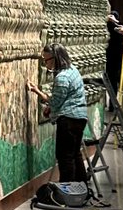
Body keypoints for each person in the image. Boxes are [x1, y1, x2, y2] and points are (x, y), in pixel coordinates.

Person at [28, 44, 89, 182]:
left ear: (55, 58)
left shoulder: (62, 77)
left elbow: (55, 102)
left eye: (47, 60)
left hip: (68, 120)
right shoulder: (73, 70)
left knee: (64, 156)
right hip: (80, 118)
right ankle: (81, 187)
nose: (45, 64)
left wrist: (37, 92)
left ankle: (67, 190)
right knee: (74, 154)